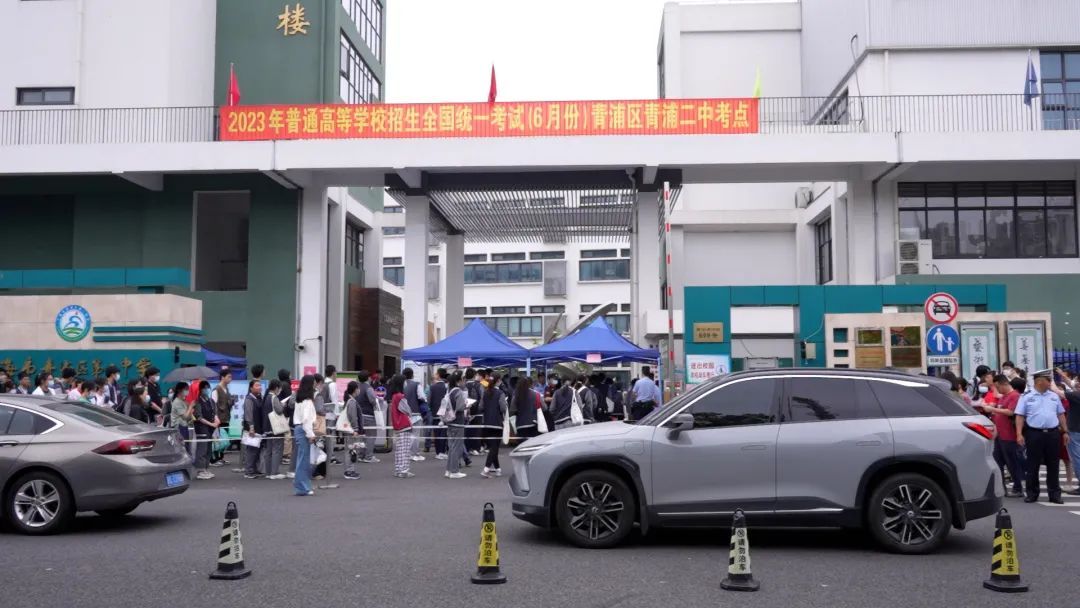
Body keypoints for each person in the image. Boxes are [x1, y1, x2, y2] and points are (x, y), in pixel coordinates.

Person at [1016, 369, 1068, 504]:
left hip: (1053, 434)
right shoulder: (1026, 397)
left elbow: (1061, 414)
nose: (1050, 383)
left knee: (1053, 464)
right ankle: (1032, 493)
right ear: (1039, 381)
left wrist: (1065, 431)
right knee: (1032, 464)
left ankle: (1054, 494)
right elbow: (1020, 416)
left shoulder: (1054, 396)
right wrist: (1019, 434)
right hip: (1034, 433)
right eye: (1048, 380)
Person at [989, 374, 1025, 497]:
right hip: (1000, 435)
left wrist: (993, 409)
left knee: (1012, 463)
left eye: (998, 387)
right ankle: (1001, 487)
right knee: (998, 462)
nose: (997, 390)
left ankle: (1018, 488)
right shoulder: (1003, 397)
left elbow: (1011, 412)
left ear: (1003, 384)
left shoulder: (1015, 396)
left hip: (1009, 435)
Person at [1051, 368, 1080, 495]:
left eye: (1077, 381)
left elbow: (1057, 391)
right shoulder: (1076, 394)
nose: (1075, 383)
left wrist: (1050, 379)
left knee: (1076, 458)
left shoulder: (1075, 395)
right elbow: (1072, 385)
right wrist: (1063, 376)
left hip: (1075, 431)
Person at [292, 375, 318, 496]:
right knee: (304, 460)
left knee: (302, 458)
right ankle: (302, 487)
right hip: (304, 430)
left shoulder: (299, 399)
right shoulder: (307, 401)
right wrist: (311, 434)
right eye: (314, 383)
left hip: (299, 429)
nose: (315, 385)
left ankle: (302, 486)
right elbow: (306, 420)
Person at [480, 373, 509, 478]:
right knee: (494, 448)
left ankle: (498, 469)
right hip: (497, 423)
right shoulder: (500, 393)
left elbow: (481, 407)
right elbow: (503, 408)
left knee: (493, 447)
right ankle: (486, 469)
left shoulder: (485, 392)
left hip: (486, 423)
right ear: (498, 381)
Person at [387, 374, 415, 478]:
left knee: (399, 449)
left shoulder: (394, 396)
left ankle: (399, 469)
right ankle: (404, 470)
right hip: (404, 425)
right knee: (405, 449)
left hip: (398, 426)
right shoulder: (400, 396)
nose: (405, 383)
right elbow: (407, 410)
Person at [260, 379, 287, 480]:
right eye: (279, 388)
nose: (280, 390)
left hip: (267, 427)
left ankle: (268, 472)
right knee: (277, 449)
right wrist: (282, 405)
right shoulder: (274, 397)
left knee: (269, 450)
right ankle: (274, 472)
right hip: (275, 427)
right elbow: (279, 410)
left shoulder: (266, 397)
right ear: (276, 388)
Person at [444, 371, 469, 479]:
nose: (464, 381)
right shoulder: (458, 391)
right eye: (463, 379)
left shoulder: (449, 391)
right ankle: (454, 471)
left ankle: (449, 470)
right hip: (458, 421)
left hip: (450, 421)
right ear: (459, 380)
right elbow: (460, 407)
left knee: (451, 447)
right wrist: (467, 405)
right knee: (456, 447)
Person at [193, 380, 219, 480]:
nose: (206, 389)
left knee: (208, 449)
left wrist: (216, 420)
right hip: (201, 428)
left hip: (210, 428)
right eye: (204, 388)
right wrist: (211, 424)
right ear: (200, 389)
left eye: (208, 387)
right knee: (202, 449)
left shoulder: (211, 401)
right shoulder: (197, 402)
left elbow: (214, 413)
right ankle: (200, 470)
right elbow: (199, 417)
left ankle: (206, 468)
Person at [355, 370, 381, 463]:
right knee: (371, 435)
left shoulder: (356, 387)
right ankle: (369, 456)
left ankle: (360, 455)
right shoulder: (368, 388)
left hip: (359, 415)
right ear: (368, 378)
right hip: (368, 415)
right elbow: (373, 401)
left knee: (362, 436)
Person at [402, 367, 427, 461]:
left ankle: (406, 453)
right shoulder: (416, 385)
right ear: (412, 375)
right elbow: (422, 397)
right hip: (415, 413)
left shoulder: (401, 385)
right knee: (415, 434)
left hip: (404, 413)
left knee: (406, 435)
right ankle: (414, 453)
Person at [242, 380, 264, 479]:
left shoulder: (258, 398)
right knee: (251, 449)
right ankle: (248, 471)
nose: (259, 387)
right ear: (251, 388)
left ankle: (254, 469)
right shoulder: (249, 399)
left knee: (257, 449)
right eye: (257, 385)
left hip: (258, 428)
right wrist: (251, 427)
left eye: (260, 385)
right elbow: (248, 414)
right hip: (252, 428)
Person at [340, 381, 363, 481]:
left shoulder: (348, 400)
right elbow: (353, 417)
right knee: (350, 450)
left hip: (348, 429)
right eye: (358, 388)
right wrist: (355, 429)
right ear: (355, 390)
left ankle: (350, 470)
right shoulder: (352, 402)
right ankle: (349, 471)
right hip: (351, 430)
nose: (359, 390)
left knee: (350, 449)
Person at [212, 370, 234, 467]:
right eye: (228, 377)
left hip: (226, 417)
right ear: (222, 377)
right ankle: (214, 459)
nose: (230, 379)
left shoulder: (227, 389)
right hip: (218, 419)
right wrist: (215, 417)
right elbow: (213, 405)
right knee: (217, 439)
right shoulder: (216, 389)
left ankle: (221, 457)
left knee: (224, 439)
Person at [428, 368, 450, 460]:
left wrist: (431, 408)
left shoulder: (432, 387)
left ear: (438, 375)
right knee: (444, 433)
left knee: (436, 433)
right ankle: (442, 451)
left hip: (435, 413)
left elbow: (429, 400)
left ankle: (438, 452)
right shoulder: (446, 387)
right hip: (445, 413)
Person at [170, 382, 195, 457]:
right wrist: (190, 407)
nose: (187, 391)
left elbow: (189, 416)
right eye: (186, 389)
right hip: (179, 428)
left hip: (184, 426)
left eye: (188, 389)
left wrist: (190, 408)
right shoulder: (177, 402)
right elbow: (185, 416)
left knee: (187, 447)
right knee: (182, 448)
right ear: (179, 390)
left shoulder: (183, 401)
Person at [464, 368, 484, 456]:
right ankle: (476, 448)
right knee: (477, 430)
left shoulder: (463, 385)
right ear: (475, 375)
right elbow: (482, 398)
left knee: (467, 430)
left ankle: (467, 448)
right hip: (477, 412)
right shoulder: (479, 385)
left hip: (465, 411)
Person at [277, 369, 294, 465]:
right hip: (286, 412)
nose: (290, 376)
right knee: (287, 434)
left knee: (282, 434)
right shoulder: (286, 385)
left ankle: (282, 454)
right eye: (289, 374)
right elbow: (289, 399)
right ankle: (286, 455)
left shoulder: (280, 384)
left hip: (280, 411)